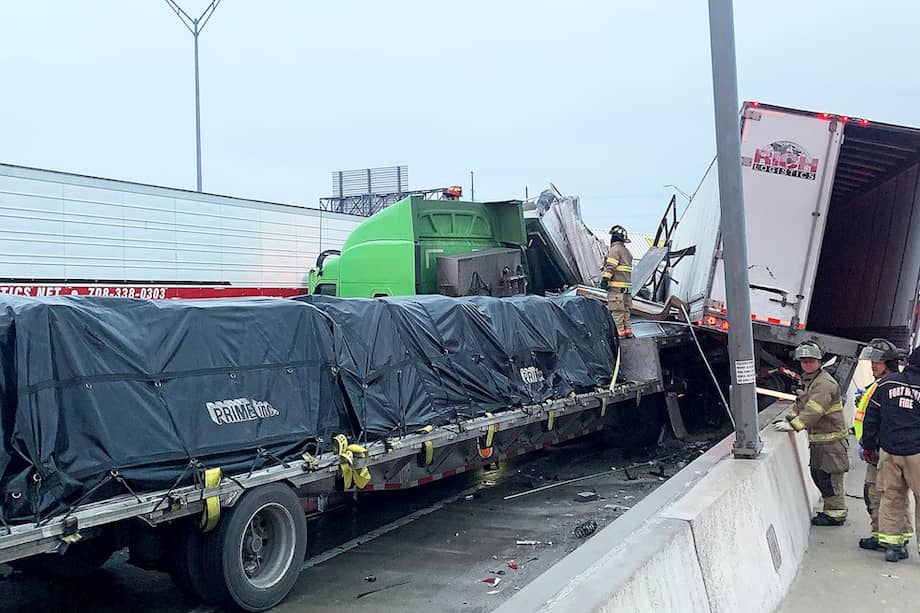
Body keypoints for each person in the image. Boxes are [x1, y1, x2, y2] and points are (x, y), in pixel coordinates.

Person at [774, 341, 849, 525]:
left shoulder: (824, 384)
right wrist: (789, 419)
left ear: (819, 361)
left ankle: (836, 515)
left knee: (830, 479)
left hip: (832, 443)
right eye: (804, 361)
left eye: (810, 361)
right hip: (820, 442)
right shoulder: (809, 380)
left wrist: (794, 425)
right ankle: (830, 511)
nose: (807, 364)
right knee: (819, 475)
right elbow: (801, 404)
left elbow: (814, 410)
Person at [861, 344, 920, 562]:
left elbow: (871, 417)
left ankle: (893, 547)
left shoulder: (887, 384)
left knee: (891, 497)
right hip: (917, 452)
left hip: (889, 451)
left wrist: (868, 446)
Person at [852, 338, 911, 552]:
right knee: (893, 495)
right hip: (880, 448)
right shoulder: (884, 384)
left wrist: (869, 445)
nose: (873, 365)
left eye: (877, 362)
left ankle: (883, 536)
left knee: (879, 494)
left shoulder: (887, 385)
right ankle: (895, 536)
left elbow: (876, 419)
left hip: (879, 450)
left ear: (889, 363)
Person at [601, 225, 633, 338]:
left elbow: (611, 266)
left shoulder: (615, 250)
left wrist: (605, 279)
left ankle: (619, 336)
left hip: (616, 291)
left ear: (613, 238)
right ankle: (628, 332)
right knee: (626, 314)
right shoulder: (627, 252)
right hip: (626, 291)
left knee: (617, 314)